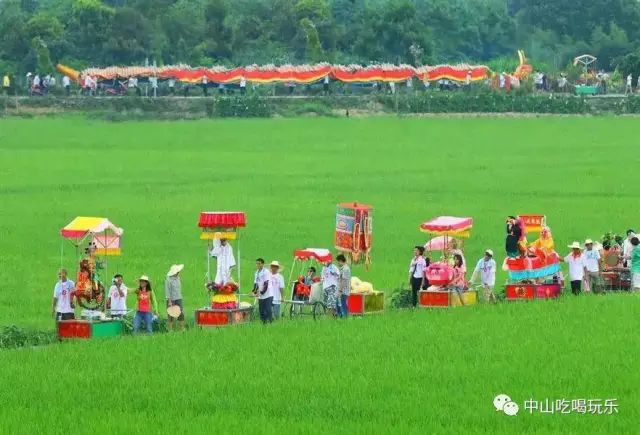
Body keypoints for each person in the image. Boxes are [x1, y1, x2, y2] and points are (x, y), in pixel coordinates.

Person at [165, 264, 185, 331]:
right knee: (170, 313)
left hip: (178, 298)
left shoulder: (178, 278)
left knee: (180, 312)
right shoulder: (168, 280)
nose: (179, 273)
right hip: (171, 299)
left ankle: (182, 328)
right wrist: (169, 301)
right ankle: (170, 329)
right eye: (177, 272)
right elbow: (168, 291)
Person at [253, 258, 272, 323]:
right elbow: (256, 284)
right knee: (261, 311)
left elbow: (266, 284)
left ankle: (270, 323)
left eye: (259, 264)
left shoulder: (266, 272)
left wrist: (261, 292)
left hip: (267, 294)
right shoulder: (256, 273)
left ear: (263, 264)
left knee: (267, 310)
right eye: (257, 263)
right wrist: (254, 292)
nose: (258, 265)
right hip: (260, 295)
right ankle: (263, 324)